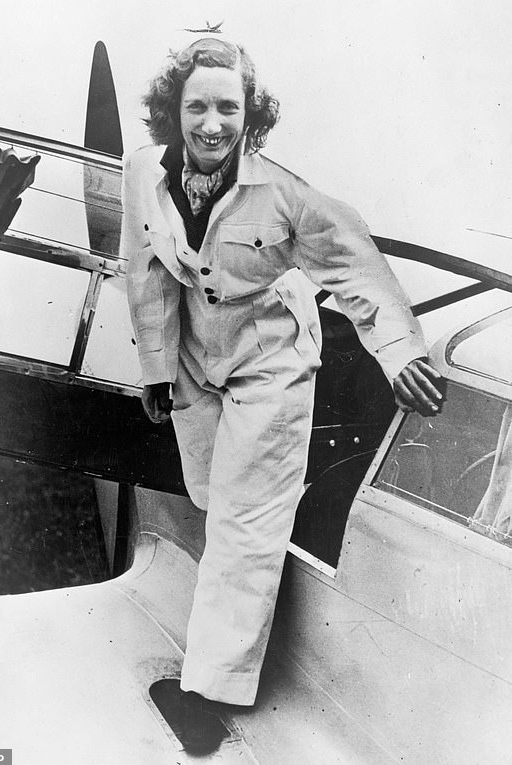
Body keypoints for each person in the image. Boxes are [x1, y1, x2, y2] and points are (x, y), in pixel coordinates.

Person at [122, 36, 442, 753]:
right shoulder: (142, 170)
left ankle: (205, 691)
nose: (211, 124)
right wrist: (154, 364)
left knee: (246, 524)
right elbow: (143, 266)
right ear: (171, 110)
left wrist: (397, 351)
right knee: (209, 493)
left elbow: (357, 264)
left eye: (228, 108)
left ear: (251, 116)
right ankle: (225, 616)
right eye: (197, 105)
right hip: (199, 359)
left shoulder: (285, 196)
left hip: (273, 360)